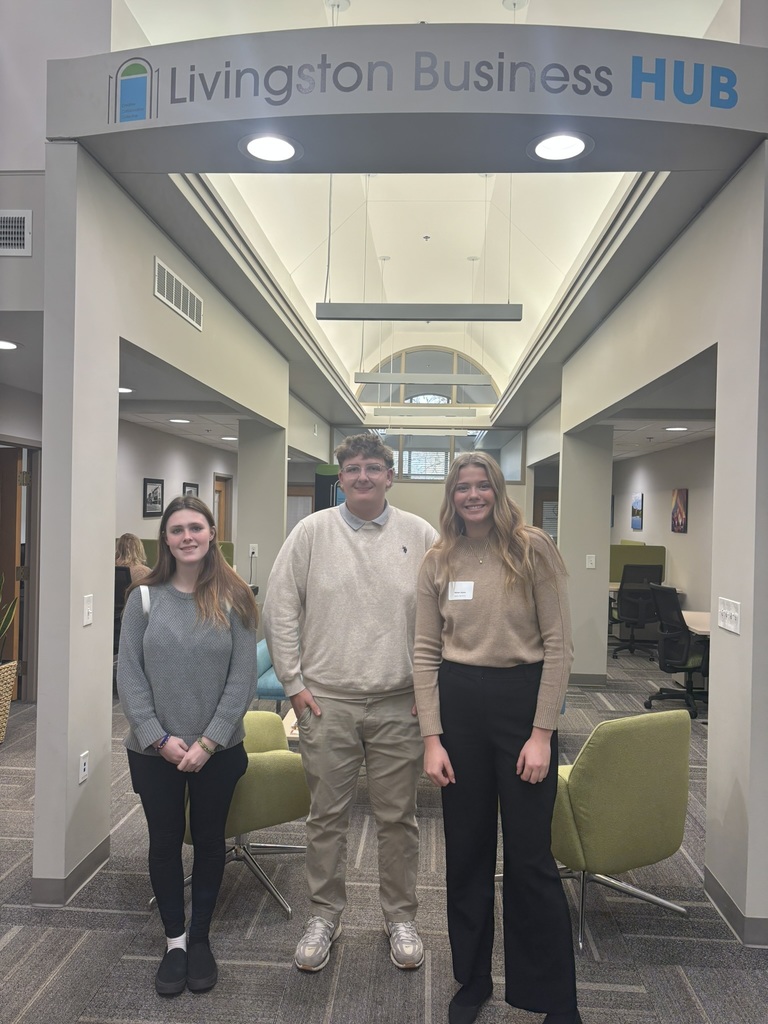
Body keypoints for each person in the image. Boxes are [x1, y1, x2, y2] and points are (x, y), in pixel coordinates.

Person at [413, 452, 580, 1024]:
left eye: (483, 485)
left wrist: (541, 733)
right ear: (451, 494)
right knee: (466, 852)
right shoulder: (438, 558)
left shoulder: (532, 548)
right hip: (459, 709)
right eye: (464, 486)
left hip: (521, 707)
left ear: (499, 490)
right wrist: (432, 739)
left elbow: (559, 646)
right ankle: (472, 979)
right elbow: (424, 653)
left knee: (531, 857)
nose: (474, 495)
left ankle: (554, 997)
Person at [263, 433, 437, 974]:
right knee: (326, 818)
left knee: (398, 819)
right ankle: (324, 916)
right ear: (341, 478)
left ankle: (400, 917)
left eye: (374, 468)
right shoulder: (311, 532)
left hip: (398, 705)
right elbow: (279, 608)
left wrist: (429, 692)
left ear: (390, 475)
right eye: (353, 469)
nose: (363, 476)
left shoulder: (421, 534)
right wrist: (292, 683)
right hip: (326, 704)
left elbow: (442, 620)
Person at [117, 495, 258, 997]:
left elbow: (242, 681)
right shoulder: (144, 598)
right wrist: (158, 738)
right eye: (176, 529)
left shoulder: (235, 596)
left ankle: (200, 939)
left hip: (216, 751)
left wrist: (209, 740)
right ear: (166, 540)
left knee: (209, 839)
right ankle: (174, 941)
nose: (187, 536)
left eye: (195, 527)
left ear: (211, 532)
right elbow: (129, 675)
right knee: (163, 841)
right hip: (153, 751)